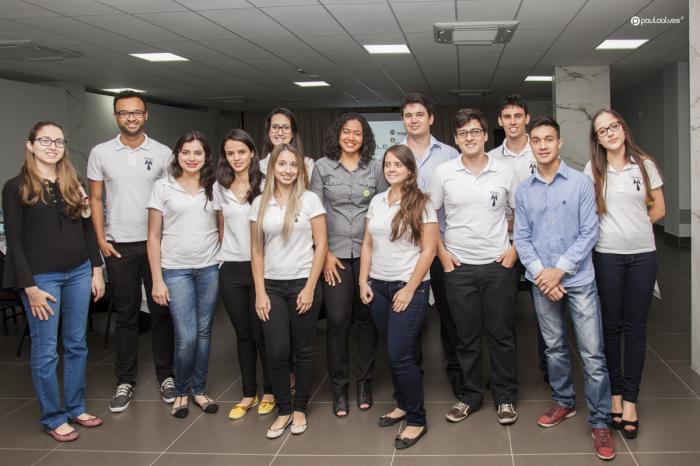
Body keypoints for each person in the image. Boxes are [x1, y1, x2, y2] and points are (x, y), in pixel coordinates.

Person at [514, 116, 615, 461]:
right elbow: (522, 239)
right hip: (542, 281)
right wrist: (544, 274)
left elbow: (590, 232)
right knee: (554, 348)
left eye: (548, 139)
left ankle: (600, 421)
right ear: (531, 145)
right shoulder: (523, 190)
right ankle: (564, 402)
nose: (542, 145)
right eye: (537, 140)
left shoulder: (581, 184)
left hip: (578, 279)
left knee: (592, 354)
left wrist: (559, 272)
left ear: (560, 143)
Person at [2, 121, 105, 441]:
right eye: (45, 140)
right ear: (30, 145)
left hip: (78, 272)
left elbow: (87, 229)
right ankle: (53, 416)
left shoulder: (72, 182)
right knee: (46, 350)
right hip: (41, 279)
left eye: (59, 141)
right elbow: (15, 244)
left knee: (76, 344)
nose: (52, 146)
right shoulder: (16, 186)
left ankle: (75, 407)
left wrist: (96, 269)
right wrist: (29, 287)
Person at [429, 108, 519, 426]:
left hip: (498, 264)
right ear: (456, 138)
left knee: (501, 334)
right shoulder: (444, 172)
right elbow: (430, 217)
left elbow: (522, 213)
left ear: (484, 135)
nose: (469, 138)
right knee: (465, 336)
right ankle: (470, 396)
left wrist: (514, 250)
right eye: (463, 133)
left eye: (475, 132)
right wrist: (441, 254)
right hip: (459, 267)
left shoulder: (505, 171)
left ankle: (505, 397)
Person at [87, 90, 175, 413]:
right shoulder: (100, 153)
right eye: (124, 113)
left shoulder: (164, 153)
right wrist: (100, 239)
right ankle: (125, 380)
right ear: (116, 117)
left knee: (162, 312)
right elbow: (95, 200)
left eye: (136, 112)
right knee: (126, 315)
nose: (131, 118)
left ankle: (167, 376)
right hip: (119, 245)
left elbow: (170, 198)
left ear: (146, 115)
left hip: (157, 244)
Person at [585, 109, 665, 439]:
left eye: (613, 126)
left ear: (622, 127)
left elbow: (659, 208)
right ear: (598, 139)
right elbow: (589, 212)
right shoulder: (594, 169)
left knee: (636, 329)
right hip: (608, 257)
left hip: (643, 256)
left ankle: (631, 401)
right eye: (602, 131)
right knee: (611, 328)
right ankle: (614, 396)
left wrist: (635, 228)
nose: (610, 133)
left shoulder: (644, 164)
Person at [359, 144, 438, 450]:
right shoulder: (378, 201)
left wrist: (408, 288)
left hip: (410, 287)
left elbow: (429, 250)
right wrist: (363, 281)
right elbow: (367, 244)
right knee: (395, 352)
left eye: (398, 165)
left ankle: (417, 419)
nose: (391, 169)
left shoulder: (423, 202)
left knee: (399, 354)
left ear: (410, 170)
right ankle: (403, 404)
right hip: (378, 287)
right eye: (388, 164)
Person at [310, 112, 386, 417]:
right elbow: (314, 212)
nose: (351, 137)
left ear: (364, 138)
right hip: (335, 257)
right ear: (337, 135)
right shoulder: (322, 167)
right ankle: (340, 388)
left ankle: (364, 382)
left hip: (370, 255)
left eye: (357, 133)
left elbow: (382, 210)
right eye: (346, 132)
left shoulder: (377, 168)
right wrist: (323, 252)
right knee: (339, 322)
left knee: (366, 321)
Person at [250, 143, 327, 439]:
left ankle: (299, 408)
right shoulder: (260, 203)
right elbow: (256, 251)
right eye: (282, 164)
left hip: (302, 284)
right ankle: (283, 408)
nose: (287, 170)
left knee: (305, 350)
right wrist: (259, 291)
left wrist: (309, 287)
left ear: (300, 169)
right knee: (277, 351)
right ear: (272, 167)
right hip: (271, 286)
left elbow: (321, 246)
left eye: (293, 165)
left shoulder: (310, 200)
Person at [147, 131, 220, 418]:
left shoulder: (214, 186)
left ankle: (199, 390)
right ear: (177, 154)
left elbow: (223, 225)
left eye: (198, 153)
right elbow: (153, 236)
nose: (191, 158)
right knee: (186, 335)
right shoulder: (162, 187)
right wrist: (156, 279)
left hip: (209, 268)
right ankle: (180, 391)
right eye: (186, 152)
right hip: (175, 269)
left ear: (206, 156)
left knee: (204, 332)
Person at [399, 92, 461, 396]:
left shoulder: (450, 154)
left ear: (431, 118)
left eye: (419, 114)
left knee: (450, 314)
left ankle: (456, 373)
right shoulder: (396, 155)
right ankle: (413, 375)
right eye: (408, 115)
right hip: (407, 250)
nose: (414, 120)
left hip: (444, 247)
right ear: (403, 120)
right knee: (412, 314)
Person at [213, 129, 276, 419]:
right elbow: (221, 225)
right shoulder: (219, 186)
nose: (236, 158)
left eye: (241, 151)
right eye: (230, 153)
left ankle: (271, 391)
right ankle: (248, 392)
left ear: (252, 153)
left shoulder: (266, 185)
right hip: (231, 267)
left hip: (261, 267)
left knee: (264, 333)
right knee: (243, 335)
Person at [488, 93, 548, 383]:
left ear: (526, 119)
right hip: (506, 242)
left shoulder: (540, 151)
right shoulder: (492, 159)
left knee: (546, 309)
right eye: (507, 117)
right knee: (504, 310)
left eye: (517, 116)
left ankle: (550, 368)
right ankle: (506, 372)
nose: (512, 122)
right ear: (500, 121)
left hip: (542, 240)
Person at [260, 107, 314, 177]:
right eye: (275, 127)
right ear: (268, 132)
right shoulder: (259, 167)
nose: (280, 133)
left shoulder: (307, 164)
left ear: (292, 133)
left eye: (286, 128)